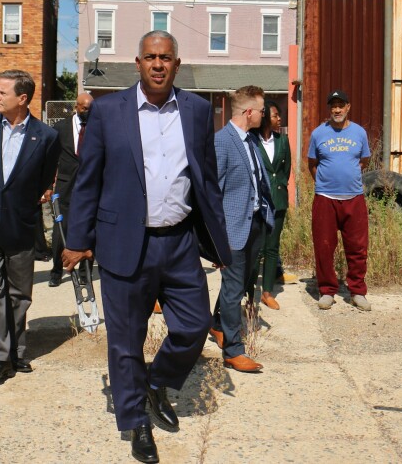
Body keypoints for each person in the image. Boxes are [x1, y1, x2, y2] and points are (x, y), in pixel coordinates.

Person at [63, 30, 230, 464]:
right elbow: (88, 180)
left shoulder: (195, 111)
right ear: (138, 63)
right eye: (151, 57)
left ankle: (156, 383)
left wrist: (221, 244)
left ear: (177, 64)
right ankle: (136, 419)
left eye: (166, 58)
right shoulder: (107, 111)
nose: (158, 64)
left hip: (178, 242)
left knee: (194, 326)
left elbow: (206, 179)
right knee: (125, 342)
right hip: (122, 243)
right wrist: (77, 241)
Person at [0, 70, 59, 381]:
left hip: (21, 225)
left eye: (2, 92)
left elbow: (44, 180)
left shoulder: (46, 137)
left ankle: (17, 350)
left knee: (20, 294)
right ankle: (0, 356)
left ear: (22, 98)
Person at [211, 86, 274, 373]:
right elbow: (213, 193)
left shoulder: (250, 140)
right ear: (248, 112)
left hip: (256, 223)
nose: (265, 115)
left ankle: (216, 324)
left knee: (243, 282)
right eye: (261, 111)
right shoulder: (221, 142)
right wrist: (215, 238)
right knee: (234, 287)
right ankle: (233, 351)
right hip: (234, 228)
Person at [307, 89, 372, 311]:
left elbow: (364, 161)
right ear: (329, 109)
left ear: (348, 107)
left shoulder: (359, 133)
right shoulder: (318, 134)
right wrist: (326, 182)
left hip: (354, 198)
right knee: (324, 247)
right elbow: (312, 164)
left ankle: (357, 291)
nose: (337, 109)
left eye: (340, 105)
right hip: (325, 198)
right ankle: (327, 291)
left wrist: (348, 178)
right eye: (333, 105)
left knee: (358, 247)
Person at [48, 92, 94, 287]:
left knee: (88, 229)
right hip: (64, 187)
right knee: (60, 231)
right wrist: (48, 186)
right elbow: (50, 160)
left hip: (89, 186)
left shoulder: (97, 127)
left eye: (91, 109)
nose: (87, 112)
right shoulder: (60, 128)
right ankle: (57, 271)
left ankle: (85, 275)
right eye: (84, 109)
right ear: (76, 107)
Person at [253, 100, 293, 310]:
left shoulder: (282, 140)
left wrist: (279, 186)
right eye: (276, 115)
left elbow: (285, 170)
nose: (279, 119)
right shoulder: (252, 140)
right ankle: (249, 291)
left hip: (278, 200)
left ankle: (266, 292)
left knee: (271, 247)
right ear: (266, 117)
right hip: (258, 202)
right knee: (255, 249)